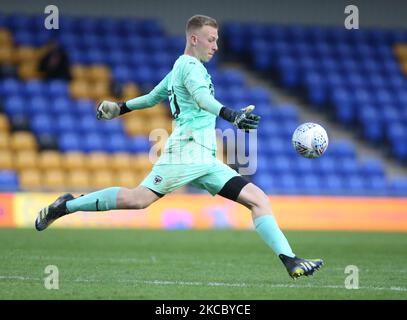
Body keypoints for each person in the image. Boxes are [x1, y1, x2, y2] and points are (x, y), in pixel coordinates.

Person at [35, 15, 323, 279]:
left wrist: (120, 108)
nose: (216, 46)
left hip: (205, 159)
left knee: (258, 199)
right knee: (138, 199)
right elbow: (200, 98)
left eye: (218, 40)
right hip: (185, 153)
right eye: (211, 40)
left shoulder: (180, 68)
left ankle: (290, 260)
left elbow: (151, 97)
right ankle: (67, 204)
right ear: (194, 39)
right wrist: (230, 114)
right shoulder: (189, 66)